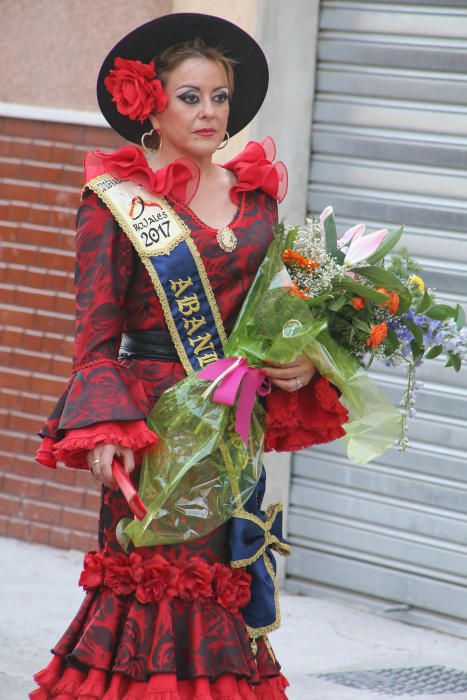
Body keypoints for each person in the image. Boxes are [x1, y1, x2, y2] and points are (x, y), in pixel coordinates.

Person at [30, 13, 348, 700]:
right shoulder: (117, 202)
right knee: (150, 594)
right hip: (153, 426)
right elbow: (94, 334)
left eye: (220, 97)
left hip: (233, 422)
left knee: (222, 588)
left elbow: (285, 307)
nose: (208, 113)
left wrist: (307, 360)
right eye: (190, 96)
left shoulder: (257, 198)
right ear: (151, 102)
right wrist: (105, 432)